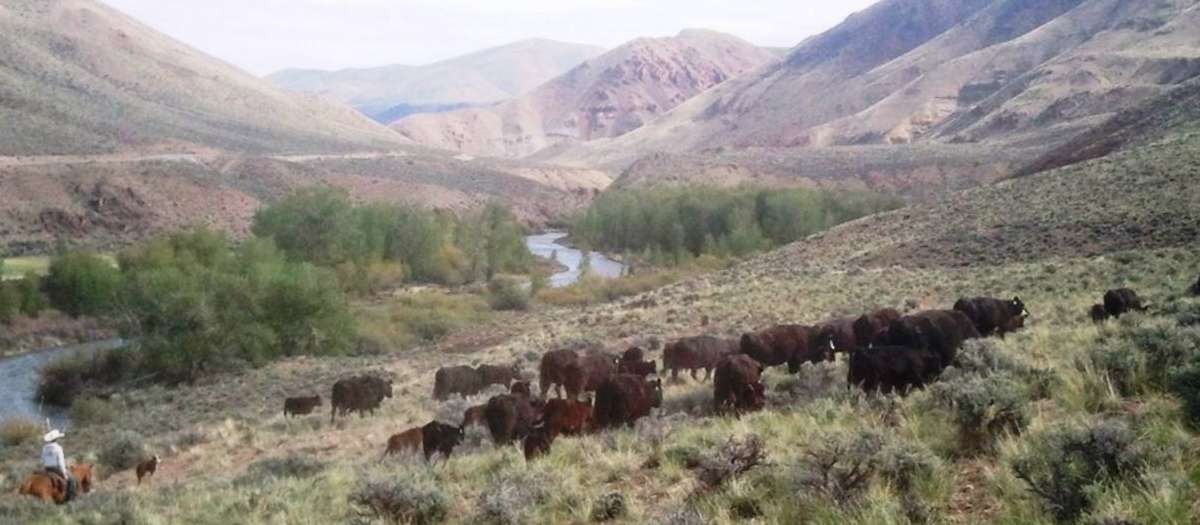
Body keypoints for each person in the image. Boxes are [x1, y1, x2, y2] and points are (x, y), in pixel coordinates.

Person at [42, 429, 76, 501]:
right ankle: (71, 499)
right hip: (56, 469)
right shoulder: (58, 448)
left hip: (47, 468)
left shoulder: (44, 448)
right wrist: (64, 473)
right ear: (57, 438)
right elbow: (61, 462)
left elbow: (43, 459)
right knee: (72, 479)